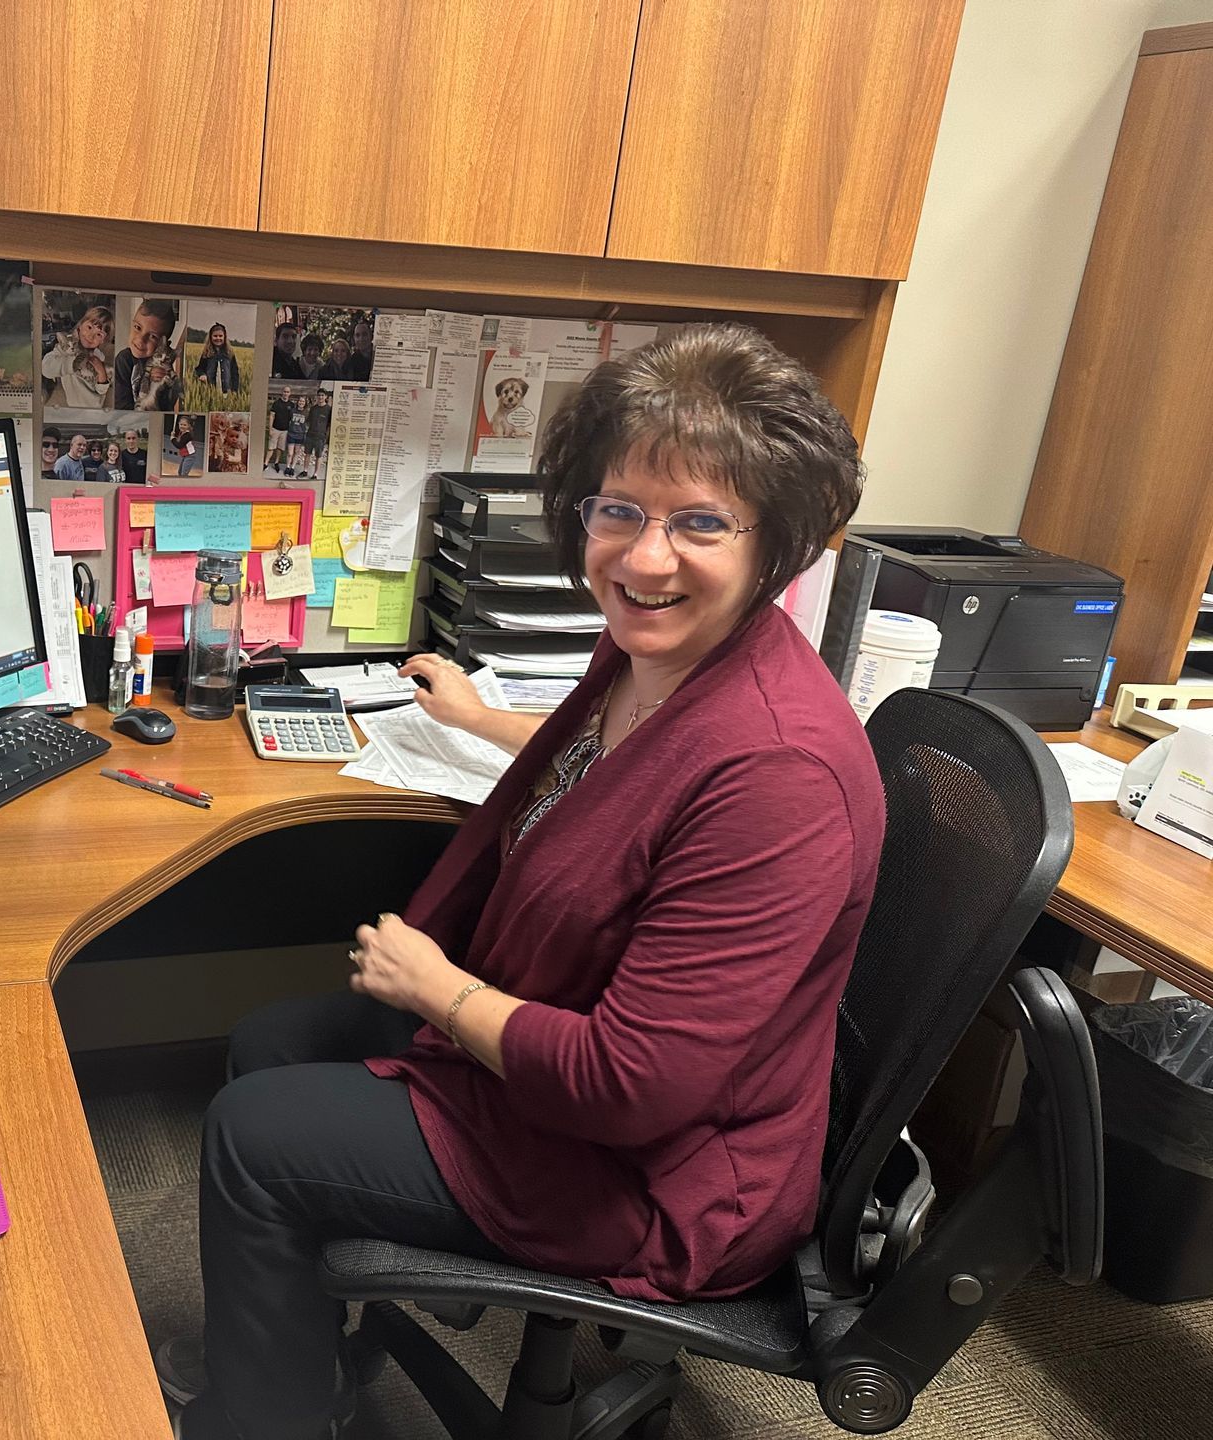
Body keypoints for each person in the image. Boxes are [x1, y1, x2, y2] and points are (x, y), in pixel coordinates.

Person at [158, 323, 885, 1440]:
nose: (645, 557)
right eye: (621, 509)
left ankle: (267, 1420)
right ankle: (312, 1366)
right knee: (272, 1041)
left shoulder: (779, 775)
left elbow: (634, 1084)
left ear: (776, 540)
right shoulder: (657, 647)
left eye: (701, 522)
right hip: (567, 1071)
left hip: (659, 1174)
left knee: (256, 1134)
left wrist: (439, 989)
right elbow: (619, 774)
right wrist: (485, 722)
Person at [40, 301, 113, 408]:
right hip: (73, 408)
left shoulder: (99, 356)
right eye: (89, 327)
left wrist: (101, 372)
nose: (91, 336)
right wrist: (72, 363)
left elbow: (101, 391)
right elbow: (46, 369)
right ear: (79, 327)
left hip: (96, 409)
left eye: (98, 334)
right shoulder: (65, 349)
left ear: (103, 340)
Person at [116, 299, 179, 409]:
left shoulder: (164, 365)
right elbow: (120, 404)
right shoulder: (124, 359)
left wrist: (162, 385)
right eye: (137, 327)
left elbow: (168, 406)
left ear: (164, 346)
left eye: (153, 337)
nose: (140, 339)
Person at [195, 323, 242, 398]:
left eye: (220, 336)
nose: (218, 338)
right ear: (211, 337)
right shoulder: (207, 353)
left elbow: (235, 373)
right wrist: (202, 374)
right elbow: (199, 368)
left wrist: (234, 391)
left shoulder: (229, 354)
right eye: (215, 336)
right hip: (210, 393)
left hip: (226, 393)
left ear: (224, 337)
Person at [305, 392, 332, 481]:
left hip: (320, 436)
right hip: (310, 434)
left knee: (318, 456)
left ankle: (315, 474)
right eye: (319, 395)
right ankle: (305, 471)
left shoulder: (329, 409)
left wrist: (326, 436)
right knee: (307, 454)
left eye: (322, 395)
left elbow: (329, 424)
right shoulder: (313, 408)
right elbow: (308, 421)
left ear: (326, 397)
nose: (320, 397)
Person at [267, 391, 295, 472]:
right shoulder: (276, 403)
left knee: (280, 448)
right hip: (275, 429)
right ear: (282, 393)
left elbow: (292, 418)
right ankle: (266, 463)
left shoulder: (291, 405)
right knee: (271, 447)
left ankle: (276, 463)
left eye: (288, 392)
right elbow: (272, 416)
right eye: (284, 392)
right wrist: (270, 428)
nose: (286, 393)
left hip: (285, 430)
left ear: (290, 394)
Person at [348, 315, 375, 382]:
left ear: (371, 336)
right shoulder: (351, 361)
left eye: (364, 334)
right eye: (357, 335)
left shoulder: (380, 355)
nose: (361, 339)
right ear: (354, 339)